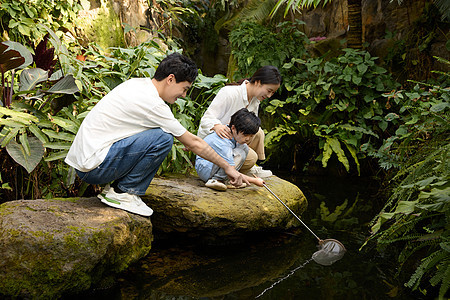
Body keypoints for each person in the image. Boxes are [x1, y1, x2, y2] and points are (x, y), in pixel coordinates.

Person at [65, 53, 254, 217]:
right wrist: (229, 168)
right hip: (95, 166)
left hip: (91, 161)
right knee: (164, 138)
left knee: (164, 134)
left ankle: (118, 190)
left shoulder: (138, 85)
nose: (184, 95)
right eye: (185, 89)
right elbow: (195, 143)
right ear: (170, 79)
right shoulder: (154, 104)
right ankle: (123, 192)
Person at [197, 65, 281, 178]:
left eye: (273, 93)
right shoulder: (229, 93)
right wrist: (216, 126)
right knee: (251, 157)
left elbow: (251, 127)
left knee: (257, 131)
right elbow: (206, 119)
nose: (269, 95)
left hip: (233, 140)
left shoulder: (255, 101)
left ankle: (250, 168)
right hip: (216, 143)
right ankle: (238, 170)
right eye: (269, 91)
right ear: (258, 82)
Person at [196, 108, 265, 191]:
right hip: (206, 170)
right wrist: (254, 180)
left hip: (214, 167)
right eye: (245, 135)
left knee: (244, 148)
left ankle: (227, 179)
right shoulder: (223, 141)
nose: (248, 139)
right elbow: (230, 168)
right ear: (233, 128)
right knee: (240, 152)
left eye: (251, 136)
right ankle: (216, 180)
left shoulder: (232, 136)